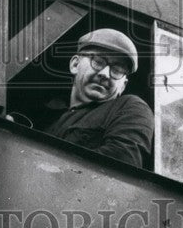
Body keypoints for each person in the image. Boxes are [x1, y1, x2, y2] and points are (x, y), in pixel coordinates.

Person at [42, 29, 154, 168]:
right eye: (98, 61)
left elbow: (122, 162)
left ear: (123, 86)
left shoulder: (130, 107)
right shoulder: (46, 115)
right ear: (75, 64)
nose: (105, 74)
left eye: (117, 70)